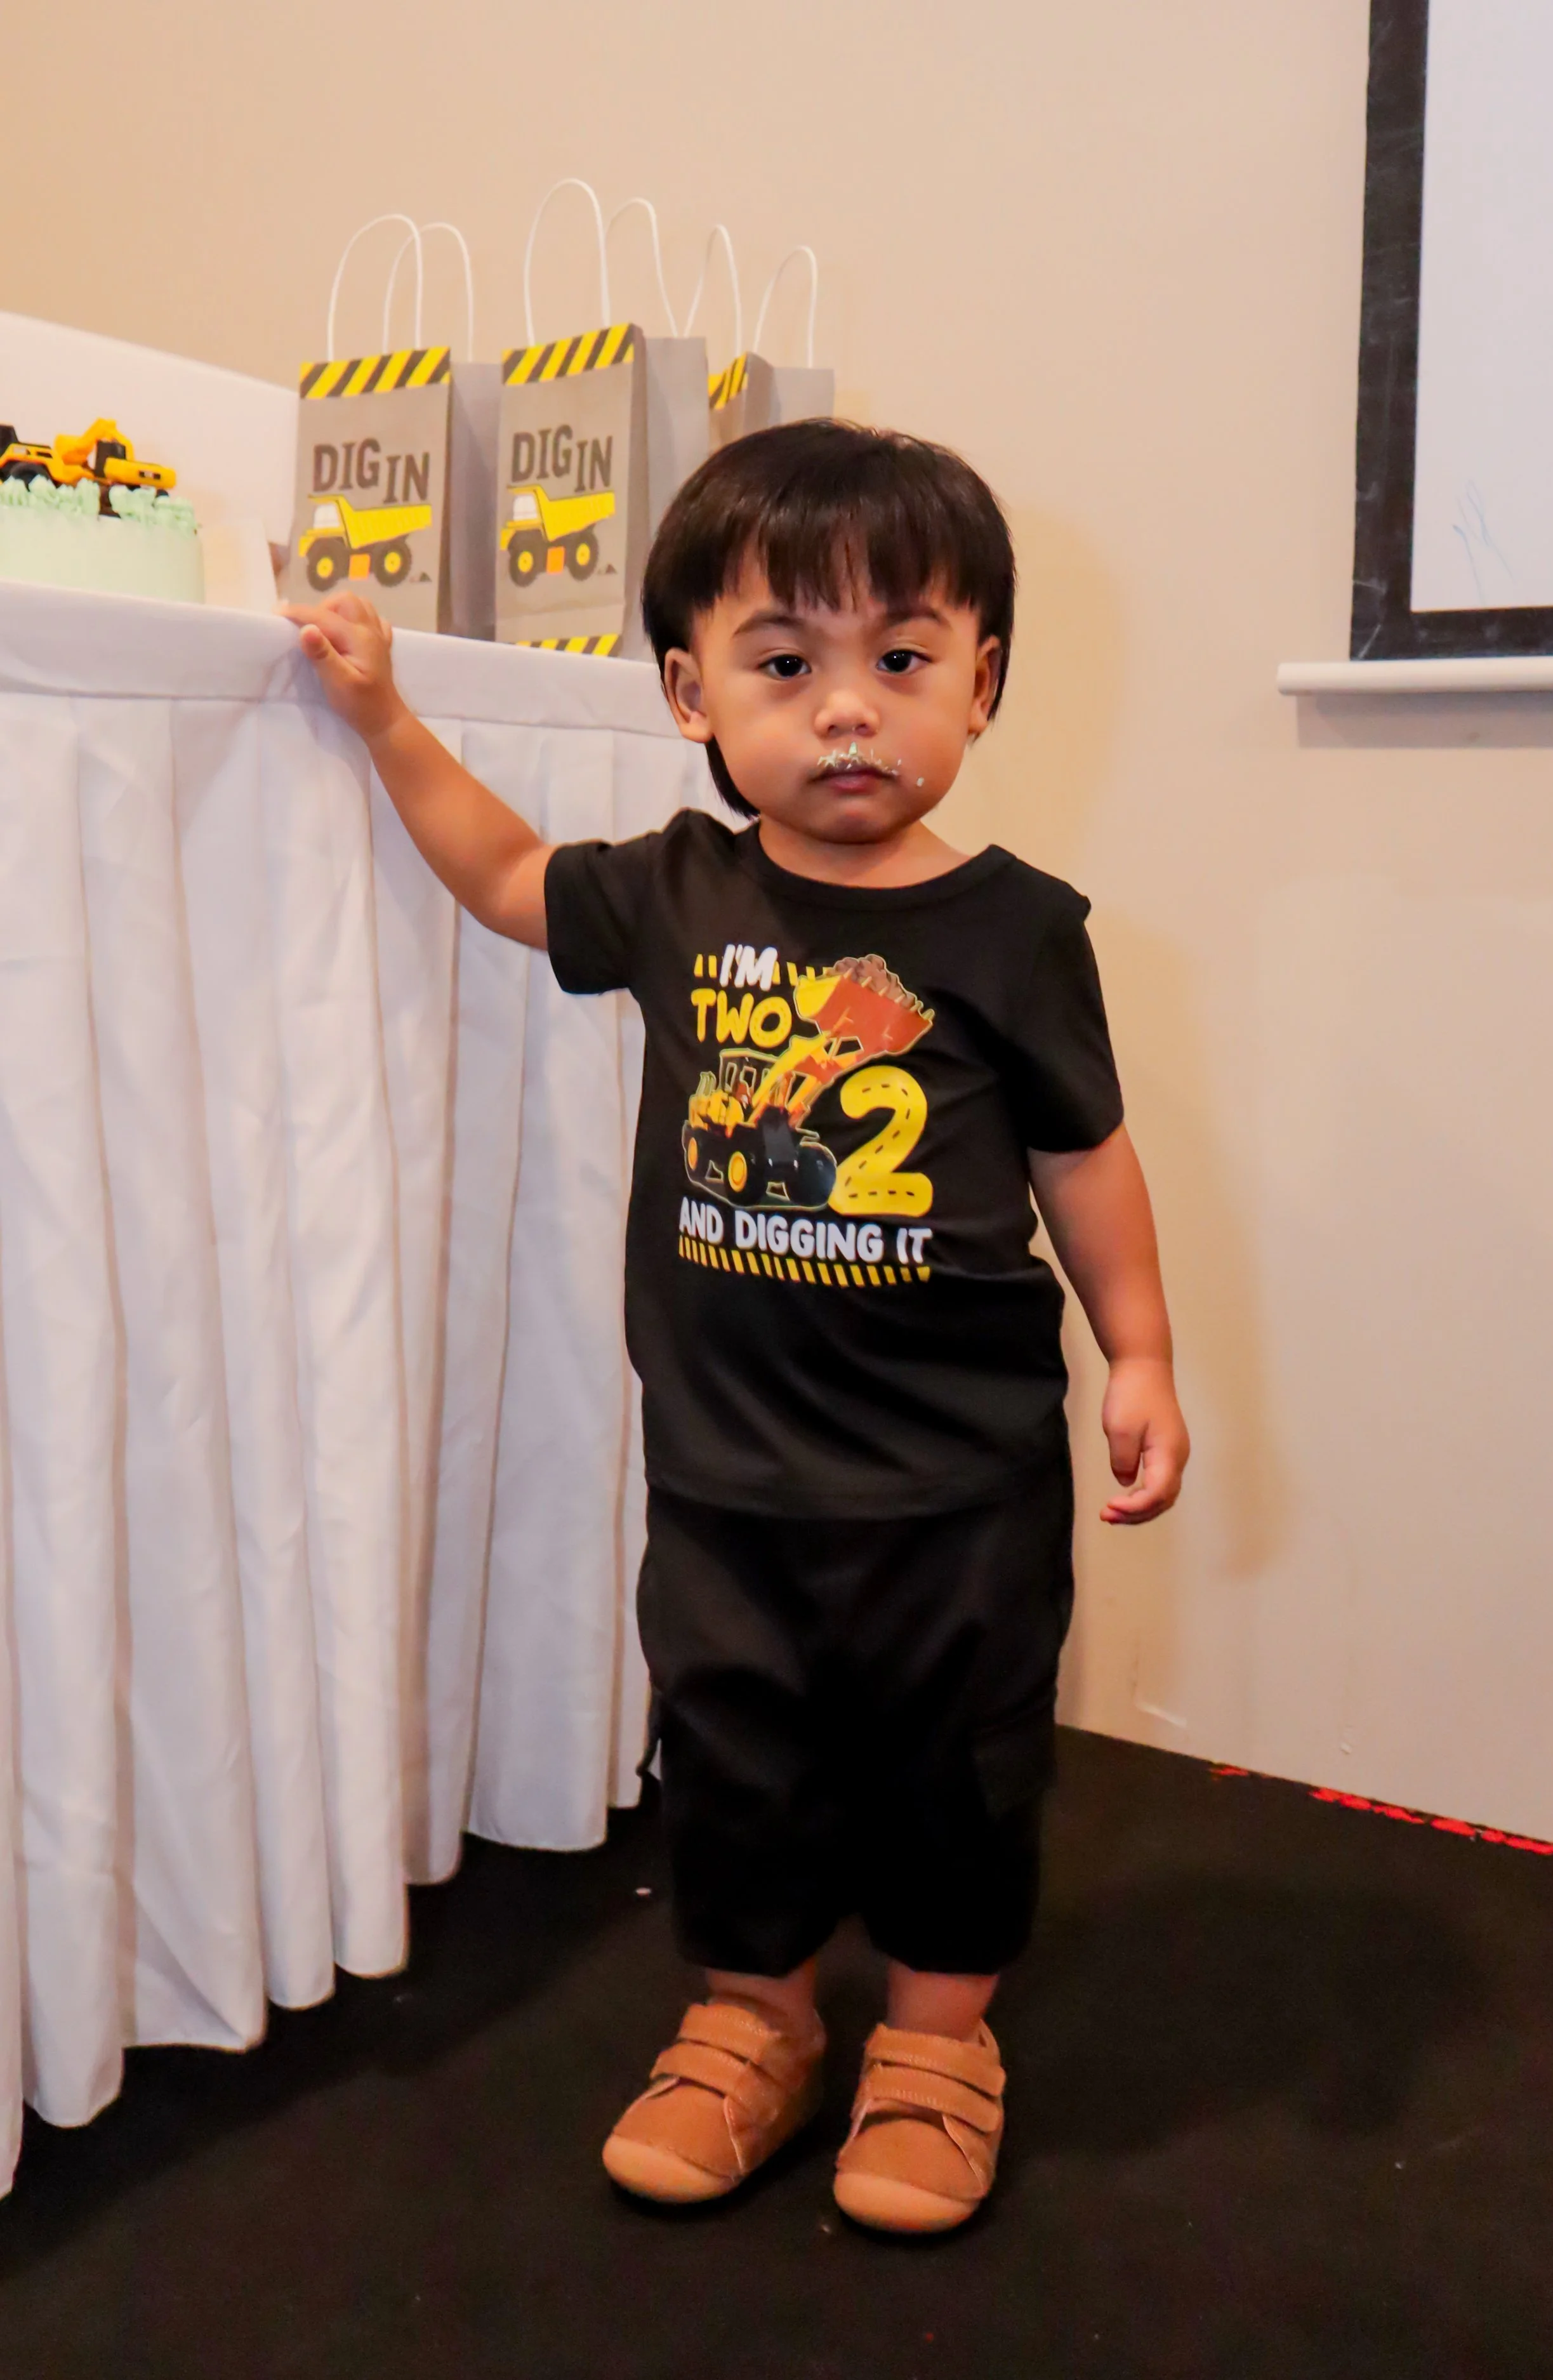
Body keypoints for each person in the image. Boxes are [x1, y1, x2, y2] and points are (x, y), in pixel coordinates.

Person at [284, 420, 1189, 2236]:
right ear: (694, 692)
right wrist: (387, 722)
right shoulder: (677, 892)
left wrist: (1144, 1350)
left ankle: (935, 2045)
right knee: (739, 1757)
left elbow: (1084, 1152)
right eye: (787, 664)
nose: (846, 710)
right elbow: (504, 876)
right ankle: (750, 2017)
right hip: (727, 1478)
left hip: (957, 1486)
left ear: (979, 683)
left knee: (961, 1767)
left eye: (902, 659)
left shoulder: (1014, 932)